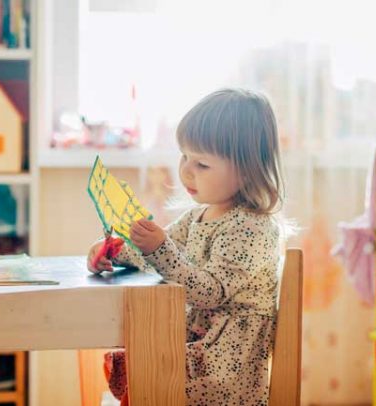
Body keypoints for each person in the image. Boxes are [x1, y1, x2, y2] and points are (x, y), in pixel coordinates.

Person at [88, 88, 285, 406]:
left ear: (247, 170)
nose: (186, 171)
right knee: (134, 353)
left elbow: (209, 292)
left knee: (143, 365)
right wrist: (113, 250)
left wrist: (159, 248)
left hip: (225, 366)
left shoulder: (252, 227)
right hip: (197, 344)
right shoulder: (198, 216)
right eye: (184, 157)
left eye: (202, 164)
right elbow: (155, 254)